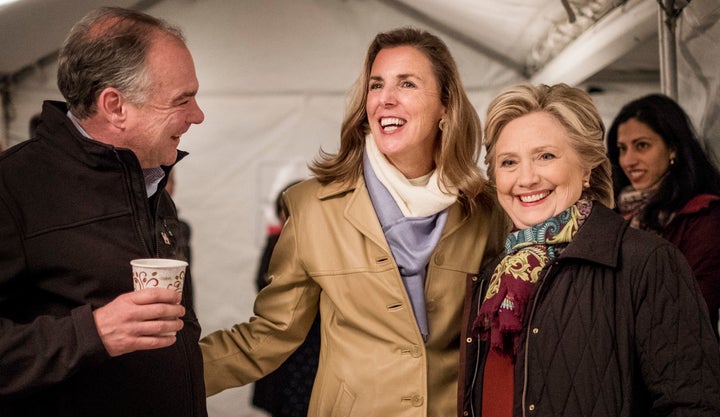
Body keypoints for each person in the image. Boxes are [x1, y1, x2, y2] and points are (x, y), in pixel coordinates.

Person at [201, 27, 505, 416]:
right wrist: (163, 376)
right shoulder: (313, 206)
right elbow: (270, 334)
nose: (385, 99)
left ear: (446, 105)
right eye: (376, 85)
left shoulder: (484, 210)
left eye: (407, 84)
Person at [459, 83, 720, 417]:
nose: (525, 178)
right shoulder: (494, 277)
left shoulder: (646, 262)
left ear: (586, 168)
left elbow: (693, 404)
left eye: (545, 156)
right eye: (508, 162)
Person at [0, 7, 206, 417]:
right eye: (182, 100)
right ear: (115, 106)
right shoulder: (11, 189)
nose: (197, 115)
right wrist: (91, 333)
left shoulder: (148, 181)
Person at [606, 94, 720, 338]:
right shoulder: (613, 212)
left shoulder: (702, 215)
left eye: (642, 146)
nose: (628, 160)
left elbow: (696, 307)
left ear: (673, 148)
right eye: (622, 149)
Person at [251, 180, 321, 417]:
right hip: (283, 340)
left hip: (316, 344)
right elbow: (262, 287)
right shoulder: (274, 244)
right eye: (286, 209)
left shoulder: (324, 247)